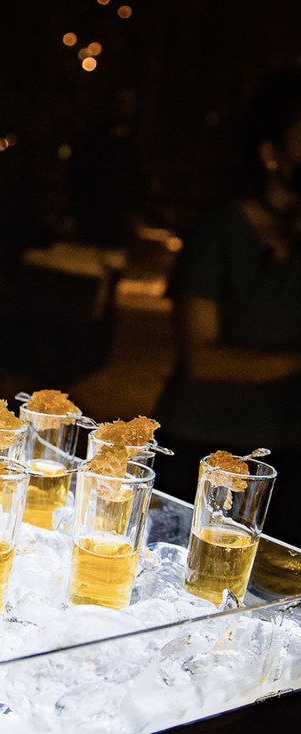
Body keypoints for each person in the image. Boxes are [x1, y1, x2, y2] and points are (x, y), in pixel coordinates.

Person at [154, 67, 301, 545]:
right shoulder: (218, 233)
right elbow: (202, 357)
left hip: (289, 451)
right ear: (270, 153)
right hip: (206, 446)